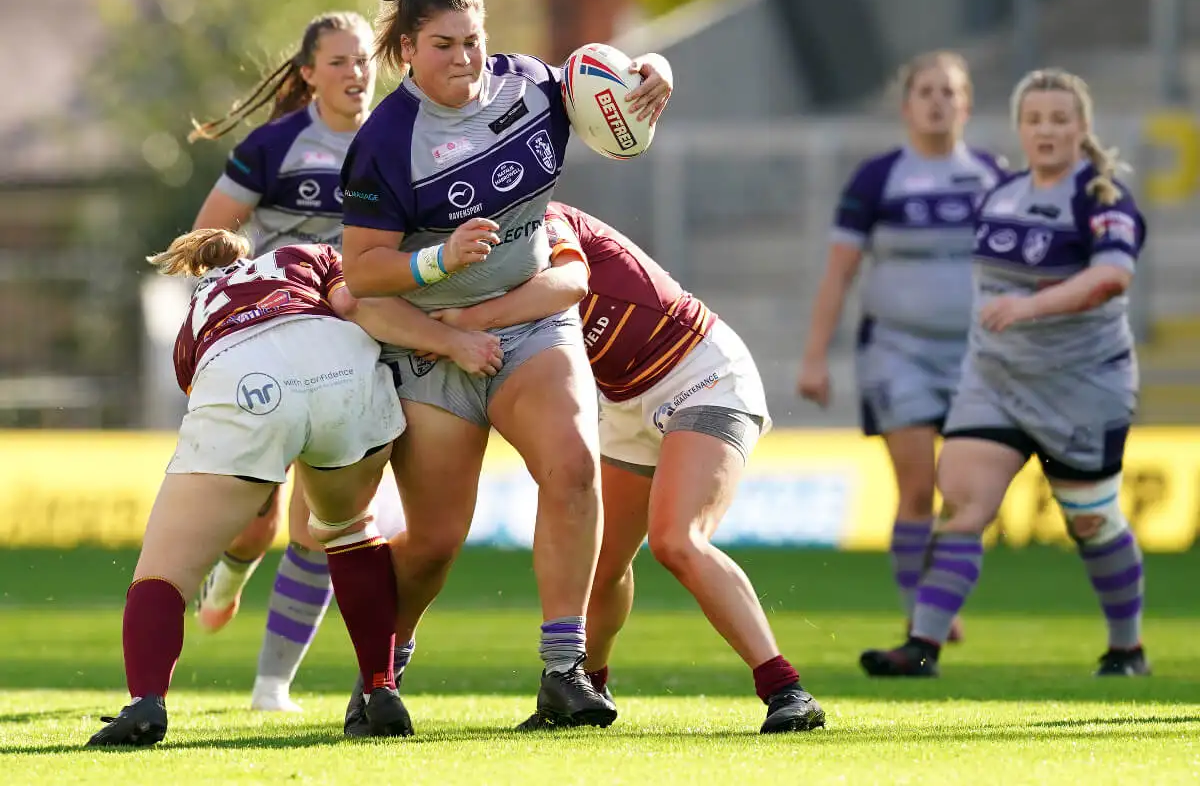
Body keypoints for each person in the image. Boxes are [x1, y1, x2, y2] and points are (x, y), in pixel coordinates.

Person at [338, 0, 672, 731]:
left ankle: (564, 671)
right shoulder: (389, 138)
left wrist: (654, 73)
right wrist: (438, 259)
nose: (466, 58)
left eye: (474, 40)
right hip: (433, 343)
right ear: (408, 53)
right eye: (446, 44)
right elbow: (361, 272)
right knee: (433, 543)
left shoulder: (529, 85)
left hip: (528, 324)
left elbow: (611, 74)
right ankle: (380, 670)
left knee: (573, 469)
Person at [87, 230, 502, 746]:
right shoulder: (303, 254)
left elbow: (213, 404)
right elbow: (355, 303)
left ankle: (146, 704)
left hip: (244, 377)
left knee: (165, 568)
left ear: (200, 270)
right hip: (340, 365)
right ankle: (380, 689)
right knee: (349, 530)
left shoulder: (195, 316)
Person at [428, 202, 826, 734]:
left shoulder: (540, 216)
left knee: (677, 541)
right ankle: (587, 690)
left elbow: (565, 284)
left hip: (700, 373)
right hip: (623, 401)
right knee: (596, 561)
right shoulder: (470, 242)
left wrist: (464, 324)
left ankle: (787, 689)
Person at [860, 68, 1150, 678]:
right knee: (962, 504)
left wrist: (1029, 306)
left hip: (1081, 386)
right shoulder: (1001, 193)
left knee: (1092, 523)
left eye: (1059, 119)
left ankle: (1127, 648)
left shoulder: (1101, 197)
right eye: (1035, 119)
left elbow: (1112, 277)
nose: (1046, 130)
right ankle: (923, 647)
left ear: (1081, 128)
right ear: (1020, 128)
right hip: (995, 381)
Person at [188, 11, 390, 713]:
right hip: (278, 338)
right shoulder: (276, 144)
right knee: (255, 518)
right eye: (338, 62)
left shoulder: (398, 137)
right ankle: (231, 574)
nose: (356, 73)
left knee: (324, 522)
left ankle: (272, 684)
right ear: (308, 73)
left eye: (364, 59)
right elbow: (206, 236)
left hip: (359, 344)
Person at [796, 51, 1005, 638]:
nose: (938, 101)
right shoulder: (877, 179)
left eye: (950, 91)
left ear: (965, 103)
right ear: (907, 105)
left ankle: (938, 601)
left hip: (975, 357)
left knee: (965, 496)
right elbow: (839, 273)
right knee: (917, 488)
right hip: (897, 352)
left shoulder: (992, 177)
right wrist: (815, 357)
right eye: (927, 91)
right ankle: (922, 611)